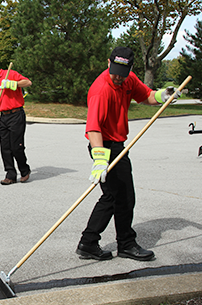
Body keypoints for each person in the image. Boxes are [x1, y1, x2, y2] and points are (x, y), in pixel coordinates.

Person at [76, 46, 181, 261]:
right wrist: (99, 160)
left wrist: (164, 95)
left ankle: (90, 243)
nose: (117, 77)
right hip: (103, 145)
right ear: (108, 63)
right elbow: (93, 128)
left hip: (117, 144)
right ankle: (122, 243)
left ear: (130, 68)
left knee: (115, 196)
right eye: (114, 71)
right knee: (120, 196)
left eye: (122, 73)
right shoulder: (100, 90)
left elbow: (147, 97)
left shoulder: (128, 79)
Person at [0, 61, 32, 185]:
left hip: (16, 114)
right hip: (4, 117)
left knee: (16, 146)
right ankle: (10, 174)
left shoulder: (10, 74)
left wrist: (12, 84)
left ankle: (24, 170)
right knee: (5, 147)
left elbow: (28, 82)